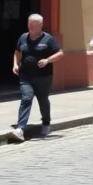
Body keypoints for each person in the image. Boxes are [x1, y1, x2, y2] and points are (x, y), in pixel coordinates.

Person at [9, 14, 64, 142]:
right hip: (25, 76)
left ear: (40, 25)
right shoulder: (23, 37)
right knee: (26, 98)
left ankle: (46, 122)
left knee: (43, 100)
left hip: (43, 77)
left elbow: (60, 53)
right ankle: (20, 129)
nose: (30, 26)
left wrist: (47, 60)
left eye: (33, 24)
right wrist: (15, 64)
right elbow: (17, 51)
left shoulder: (48, 39)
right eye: (29, 24)